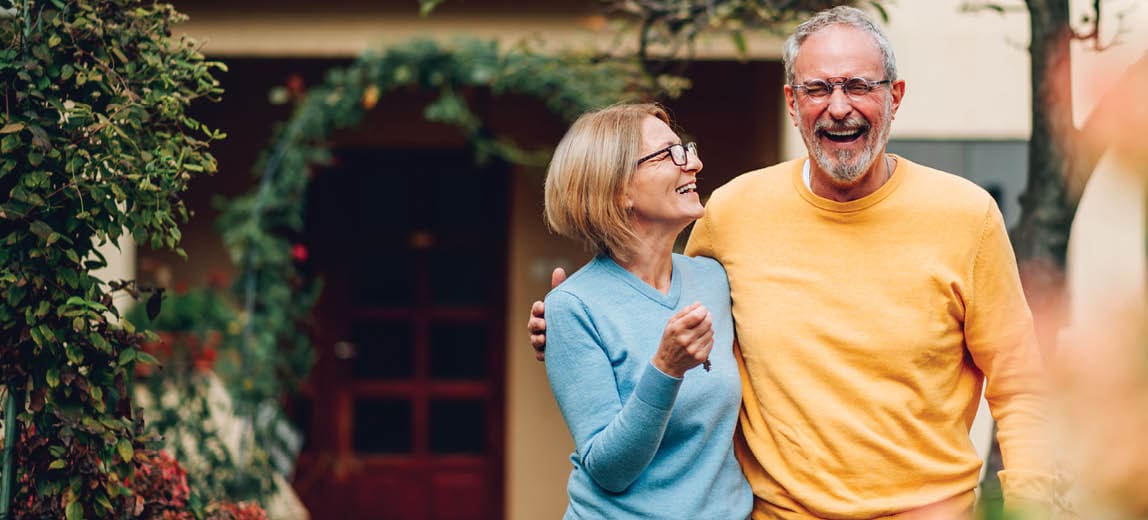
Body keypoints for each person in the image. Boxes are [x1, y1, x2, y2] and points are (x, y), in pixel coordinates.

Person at [529, 6, 1051, 519]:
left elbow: (1020, 382)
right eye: (818, 89)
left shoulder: (966, 215)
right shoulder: (731, 213)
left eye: (859, 86)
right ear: (792, 103)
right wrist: (572, 329)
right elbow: (652, 306)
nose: (839, 106)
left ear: (895, 97)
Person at [539, 103, 752, 519]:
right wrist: (666, 368)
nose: (694, 163)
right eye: (670, 154)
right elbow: (609, 471)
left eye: (686, 149)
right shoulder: (573, 307)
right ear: (619, 189)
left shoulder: (714, 279)